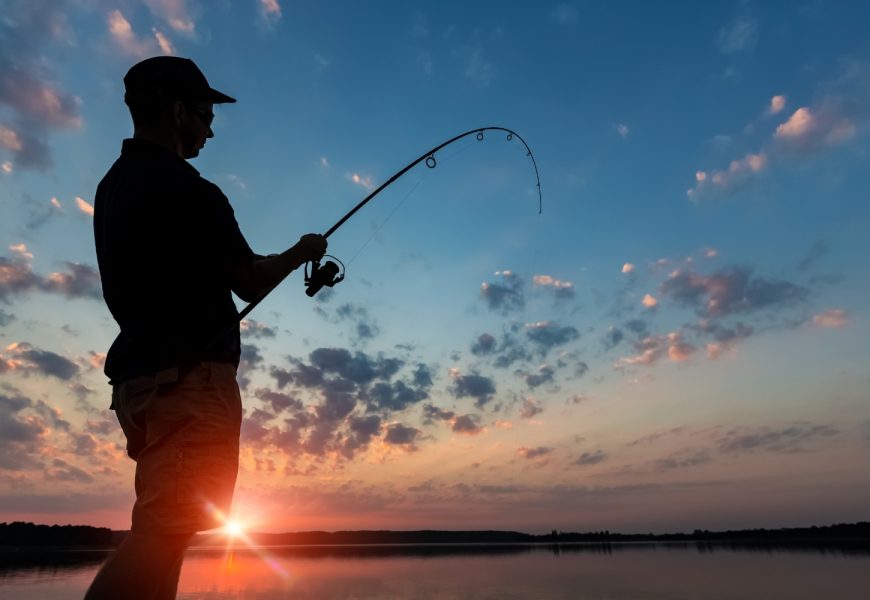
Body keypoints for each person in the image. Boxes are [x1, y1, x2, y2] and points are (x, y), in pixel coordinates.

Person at [85, 56, 327, 600]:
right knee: (160, 535)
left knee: (169, 534)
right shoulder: (193, 192)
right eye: (204, 113)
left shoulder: (114, 187)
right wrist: (300, 252)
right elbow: (249, 281)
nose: (212, 128)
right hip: (188, 385)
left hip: (141, 384)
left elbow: (180, 273)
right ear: (176, 111)